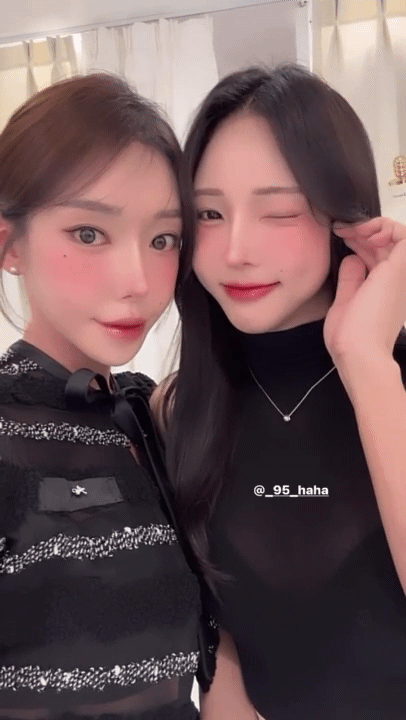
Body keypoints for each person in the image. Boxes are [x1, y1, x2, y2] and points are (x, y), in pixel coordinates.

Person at [154, 64, 406, 719]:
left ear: (344, 215)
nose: (236, 250)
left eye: (280, 210)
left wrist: (367, 362)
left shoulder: (388, 377)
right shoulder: (177, 410)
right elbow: (218, 635)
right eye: (209, 213)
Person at [0, 73, 217, 720]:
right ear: (9, 244)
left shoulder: (149, 416)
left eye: (163, 239)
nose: (137, 280)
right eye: (89, 233)